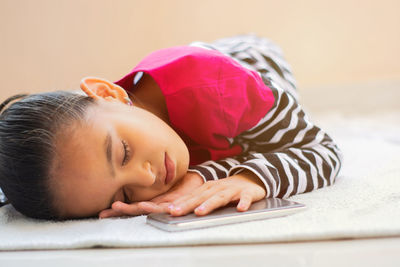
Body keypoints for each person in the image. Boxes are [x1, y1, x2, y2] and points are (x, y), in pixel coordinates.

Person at [0, 35, 342, 220]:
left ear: (110, 94)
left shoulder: (222, 87)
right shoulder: (112, 139)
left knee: (262, 141)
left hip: (246, 56)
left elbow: (322, 151)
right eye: (124, 196)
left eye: (124, 153)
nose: (148, 179)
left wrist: (246, 178)